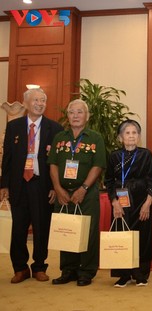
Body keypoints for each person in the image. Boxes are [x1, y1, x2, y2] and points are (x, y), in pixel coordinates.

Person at [0, 88, 63, 283]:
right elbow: (7, 158)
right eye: (36, 100)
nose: (40, 103)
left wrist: (55, 186)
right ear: (26, 103)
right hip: (18, 184)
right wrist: (4, 185)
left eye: (43, 100)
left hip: (41, 185)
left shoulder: (55, 128)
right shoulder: (14, 127)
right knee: (18, 228)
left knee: (41, 226)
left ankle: (39, 267)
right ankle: (20, 268)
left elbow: (58, 162)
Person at [48, 99, 106, 287]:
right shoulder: (59, 137)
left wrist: (83, 189)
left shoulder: (95, 137)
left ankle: (86, 271)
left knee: (87, 231)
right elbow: (53, 165)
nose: (75, 115)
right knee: (66, 230)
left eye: (79, 112)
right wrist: (58, 188)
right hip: (63, 192)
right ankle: (68, 269)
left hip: (86, 193)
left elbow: (98, 166)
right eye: (72, 112)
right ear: (68, 115)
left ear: (87, 116)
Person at [104, 120, 152, 287]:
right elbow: (109, 181)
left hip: (141, 200)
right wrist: (114, 203)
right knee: (122, 234)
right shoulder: (114, 156)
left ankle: (140, 273)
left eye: (134, 133)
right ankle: (124, 275)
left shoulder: (146, 154)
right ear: (121, 137)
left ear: (139, 137)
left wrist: (148, 202)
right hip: (121, 201)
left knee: (142, 236)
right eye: (127, 133)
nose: (131, 136)